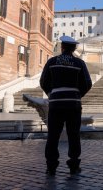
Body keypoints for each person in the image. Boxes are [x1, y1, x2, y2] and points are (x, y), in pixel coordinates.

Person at [40, 36, 92, 176]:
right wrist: (76, 94)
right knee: (73, 135)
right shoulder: (79, 63)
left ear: (62, 47)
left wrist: (52, 93)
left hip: (56, 104)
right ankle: (74, 165)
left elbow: (43, 81)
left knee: (53, 135)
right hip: (73, 104)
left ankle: (51, 166)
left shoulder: (52, 61)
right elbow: (88, 83)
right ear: (74, 49)